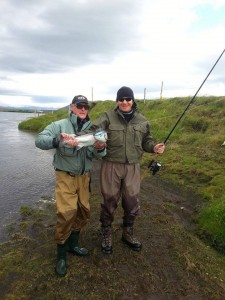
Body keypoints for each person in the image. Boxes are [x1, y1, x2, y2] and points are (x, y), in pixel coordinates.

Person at [35, 95, 106, 277]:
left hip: (84, 178)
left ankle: (73, 245)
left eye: (86, 106)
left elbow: (99, 154)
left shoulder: (94, 129)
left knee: (83, 211)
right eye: (80, 106)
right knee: (66, 213)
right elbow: (39, 140)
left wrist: (99, 146)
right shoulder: (59, 125)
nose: (83, 109)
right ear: (72, 107)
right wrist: (58, 139)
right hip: (65, 176)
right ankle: (61, 254)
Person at [92, 86, 165, 254]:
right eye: (121, 99)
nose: (124, 102)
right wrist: (94, 139)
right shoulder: (107, 116)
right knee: (109, 199)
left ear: (133, 100)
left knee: (132, 200)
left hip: (133, 166)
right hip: (111, 164)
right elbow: (94, 129)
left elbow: (147, 141)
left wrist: (154, 147)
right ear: (117, 101)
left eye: (128, 99)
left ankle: (128, 231)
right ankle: (106, 231)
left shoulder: (142, 120)